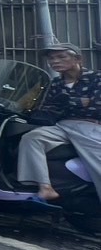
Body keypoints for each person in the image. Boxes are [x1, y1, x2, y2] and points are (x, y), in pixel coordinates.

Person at [17, 44, 101, 204]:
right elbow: (48, 109)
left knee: (97, 163)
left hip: (91, 126)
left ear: (78, 59)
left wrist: (67, 102)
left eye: (61, 57)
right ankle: (45, 188)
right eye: (51, 58)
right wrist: (81, 102)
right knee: (32, 138)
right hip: (62, 126)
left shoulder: (96, 78)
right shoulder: (55, 83)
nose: (55, 61)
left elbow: (97, 107)